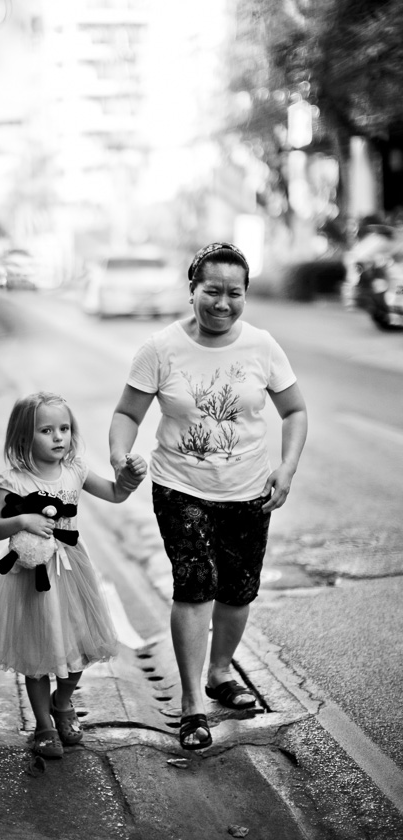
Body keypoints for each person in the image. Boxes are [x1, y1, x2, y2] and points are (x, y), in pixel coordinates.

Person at [109, 242, 307, 752]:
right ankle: (193, 704)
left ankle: (221, 672)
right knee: (195, 584)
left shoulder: (262, 345)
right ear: (193, 289)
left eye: (234, 293)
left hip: (249, 491)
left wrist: (286, 469)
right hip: (179, 487)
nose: (223, 303)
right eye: (212, 291)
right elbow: (128, 413)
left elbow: (294, 411)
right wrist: (119, 455)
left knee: (239, 590)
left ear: (245, 295)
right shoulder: (160, 348)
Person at [0, 391, 147, 760]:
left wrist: (129, 478)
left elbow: (115, 493)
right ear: (23, 438)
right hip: (29, 576)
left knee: (80, 646)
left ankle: (62, 702)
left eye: (64, 428)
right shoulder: (13, 480)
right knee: (36, 652)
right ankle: (44, 726)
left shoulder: (76, 471)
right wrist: (22, 520)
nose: (58, 437)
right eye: (46, 430)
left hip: (71, 572)